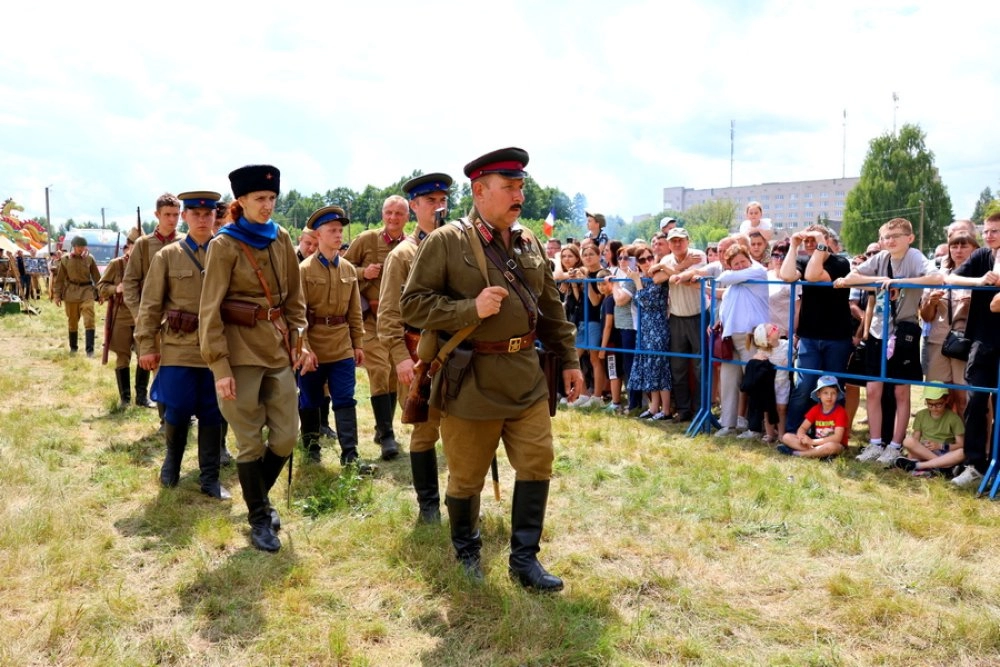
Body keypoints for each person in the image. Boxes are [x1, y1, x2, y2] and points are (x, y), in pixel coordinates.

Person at [400, 147, 584, 591]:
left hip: (525, 376)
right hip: (471, 379)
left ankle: (524, 560)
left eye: (521, 186)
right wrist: (470, 308)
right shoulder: (447, 241)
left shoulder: (528, 241)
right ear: (480, 191)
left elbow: (551, 307)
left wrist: (569, 359)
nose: (519, 195)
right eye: (509, 187)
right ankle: (467, 553)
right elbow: (412, 305)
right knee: (467, 476)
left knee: (538, 462)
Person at [199, 165, 310, 552]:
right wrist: (220, 367)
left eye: (272, 198)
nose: (267, 205)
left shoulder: (281, 237)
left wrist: (299, 340)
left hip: (277, 349)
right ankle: (260, 518)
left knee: (286, 436)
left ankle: (257, 496)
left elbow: (295, 298)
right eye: (260, 199)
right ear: (241, 201)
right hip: (239, 353)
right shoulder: (224, 245)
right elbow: (209, 311)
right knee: (249, 442)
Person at [135, 191, 230, 500]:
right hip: (178, 347)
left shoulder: (229, 252)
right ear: (185, 216)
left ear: (215, 216)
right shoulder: (167, 255)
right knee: (176, 406)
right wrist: (147, 345)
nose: (202, 219)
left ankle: (209, 478)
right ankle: (172, 464)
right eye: (195, 214)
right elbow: (150, 304)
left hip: (217, 350)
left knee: (214, 412)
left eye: (208, 214)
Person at [377, 172, 453, 523]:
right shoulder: (403, 255)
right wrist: (400, 359)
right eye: (430, 201)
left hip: (458, 354)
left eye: (443, 200)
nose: (438, 207)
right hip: (418, 354)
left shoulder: (459, 247)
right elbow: (388, 313)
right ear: (415, 206)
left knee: (461, 429)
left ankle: (459, 499)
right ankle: (428, 506)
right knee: (425, 430)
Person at [837, 218, 942, 464]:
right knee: (873, 390)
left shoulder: (914, 257)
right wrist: (873, 281)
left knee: (900, 392)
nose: (890, 241)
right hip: (877, 332)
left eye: (896, 236)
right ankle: (875, 443)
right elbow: (851, 276)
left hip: (903, 333)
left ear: (910, 238)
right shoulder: (881, 258)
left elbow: (936, 278)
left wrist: (898, 282)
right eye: (886, 237)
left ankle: (895, 445)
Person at [297, 206, 367, 467]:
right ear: (318, 234)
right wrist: (304, 348)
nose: (338, 235)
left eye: (340, 230)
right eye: (332, 230)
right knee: (310, 399)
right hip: (314, 347)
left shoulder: (348, 269)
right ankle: (311, 449)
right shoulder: (304, 270)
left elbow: (355, 312)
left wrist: (358, 344)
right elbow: (298, 314)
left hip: (341, 346)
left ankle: (350, 455)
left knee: (345, 398)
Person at [344, 195, 408, 460]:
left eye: (399, 213)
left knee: (393, 373)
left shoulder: (410, 246)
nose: (393, 218)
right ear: (382, 214)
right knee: (380, 369)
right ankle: (388, 437)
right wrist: (363, 273)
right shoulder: (366, 239)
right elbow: (342, 268)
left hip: (396, 321)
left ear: (407, 217)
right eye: (389, 212)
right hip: (369, 318)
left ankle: (383, 428)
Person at [943, 211, 1000, 488]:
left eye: (995, 231)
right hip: (981, 340)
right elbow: (951, 279)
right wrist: (978, 281)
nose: (988, 235)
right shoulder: (980, 257)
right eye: (986, 230)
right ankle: (975, 464)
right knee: (975, 401)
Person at [779, 224, 854, 435]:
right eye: (807, 241)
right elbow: (786, 275)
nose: (810, 244)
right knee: (804, 387)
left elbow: (813, 275)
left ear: (826, 241)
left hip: (836, 337)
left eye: (814, 240)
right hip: (809, 336)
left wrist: (821, 242)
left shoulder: (840, 262)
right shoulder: (803, 261)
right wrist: (793, 246)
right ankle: (794, 433)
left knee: (833, 388)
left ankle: (833, 436)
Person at [124, 193, 183, 428]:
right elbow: (130, 282)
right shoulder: (144, 244)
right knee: (160, 369)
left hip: (182, 317)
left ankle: (181, 415)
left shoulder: (186, 241)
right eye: (167, 214)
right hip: (154, 317)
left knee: (182, 368)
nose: (172, 219)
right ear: (157, 215)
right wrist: (139, 314)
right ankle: (166, 419)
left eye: (176, 215)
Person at [919, 231, 977, 417]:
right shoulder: (938, 276)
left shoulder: (982, 276)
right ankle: (941, 434)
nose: (958, 250)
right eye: (954, 246)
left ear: (975, 249)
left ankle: (967, 435)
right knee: (938, 395)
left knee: (964, 398)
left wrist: (970, 306)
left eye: (964, 246)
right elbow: (926, 317)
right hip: (938, 341)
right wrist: (931, 303)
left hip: (966, 343)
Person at [97, 228, 153, 408]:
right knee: (123, 356)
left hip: (142, 316)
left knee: (145, 354)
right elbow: (101, 288)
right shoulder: (117, 264)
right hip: (121, 317)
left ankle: (142, 397)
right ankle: (125, 398)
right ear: (128, 246)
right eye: (136, 246)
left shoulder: (150, 264)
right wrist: (116, 288)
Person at [656, 227, 706, 420]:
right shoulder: (666, 260)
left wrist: (674, 273)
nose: (677, 244)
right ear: (669, 244)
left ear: (688, 241)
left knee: (700, 366)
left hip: (698, 315)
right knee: (677, 366)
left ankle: (700, 410)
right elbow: (657, 278)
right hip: (676, 317)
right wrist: (682, 267)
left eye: (681, 240)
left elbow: (692, 278)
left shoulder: (698, 255)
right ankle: (683, 409)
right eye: (674, 240)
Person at [626, 247, 672, 420]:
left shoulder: (658, 277)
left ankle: (666, 409)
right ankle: (654, 407)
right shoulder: (645, 279)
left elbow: (645, 301)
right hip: (645, 328)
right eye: (642, 260)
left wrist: (637, 281)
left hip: (658, 328)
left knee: (660, 368)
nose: (647, 262)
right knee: (649, 366)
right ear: (637, 263)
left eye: (649, 258)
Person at [893, 384, 966, 476]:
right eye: (930, 404)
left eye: (938, 404)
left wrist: (940, 446)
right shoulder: (921, 415)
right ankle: (943, 467)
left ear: (946, 400)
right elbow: (915, 440)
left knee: (963, 452)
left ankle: (918, 466)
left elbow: (961, 444)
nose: (934, 408)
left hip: (945, 452)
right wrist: (916, 451)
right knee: (908, 441)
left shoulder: (953, 418)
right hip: (925, 452)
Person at [777, 375, 848, 458]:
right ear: (818, 394)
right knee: (786, 437)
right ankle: (816, 453)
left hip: (835, 444)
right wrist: (802, 437)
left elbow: (837, 438)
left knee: (832, 446)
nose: (829, 397)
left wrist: (812, 442)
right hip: (816, 443)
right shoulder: (816, 409)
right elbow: (803, 428)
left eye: (833, 393)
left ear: (837, 394)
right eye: (825, 393)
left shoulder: (840, 412)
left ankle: (797, 453)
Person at [52, 236, 101, 355]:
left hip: (87, 292)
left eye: (83, 246)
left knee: (89, 319)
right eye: (79, 246)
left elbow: (97, 277)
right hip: (71, 293)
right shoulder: (65, 259)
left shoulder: (89, 259)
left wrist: (101, 293)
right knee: (72, 321)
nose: (81, 248)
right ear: (74, 246)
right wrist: (57, 295)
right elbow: (59, 279)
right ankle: (73, 348)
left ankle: (90, 351)